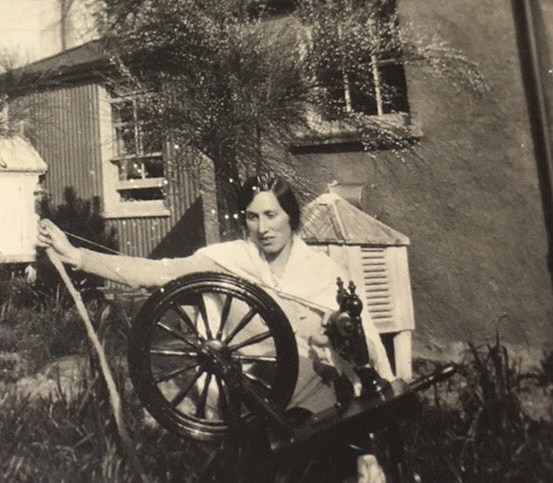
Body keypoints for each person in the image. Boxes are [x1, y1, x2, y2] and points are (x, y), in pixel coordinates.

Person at [38, 174, 395, 411]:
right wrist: (77, 256)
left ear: (291, 216)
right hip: (253, 393)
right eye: (253, 218)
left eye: (272, 215)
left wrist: (386, 383)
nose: (263, 228)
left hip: (319, 389)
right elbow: (156, 273)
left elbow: (363, 339)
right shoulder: (227, 260)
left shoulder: (322, 270)